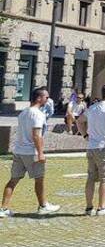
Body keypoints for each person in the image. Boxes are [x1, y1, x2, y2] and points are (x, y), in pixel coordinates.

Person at [0, 87, 61, 218]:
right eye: (46, 97)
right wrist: (40, 153)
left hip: (19, 150)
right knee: (39, 179)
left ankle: (3, 208)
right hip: (31, 151)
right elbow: (36, 135)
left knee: (13, 180)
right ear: (39, 98)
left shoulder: (23, 113)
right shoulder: (38, 114)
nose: (48, 99)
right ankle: (43, 205)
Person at [77, 83, 105, 216]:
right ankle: (102, 207)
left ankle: (88, 207)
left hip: (92, 146)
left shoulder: (93, 107)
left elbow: (79, 121)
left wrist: (85, 135)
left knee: (91, 177)